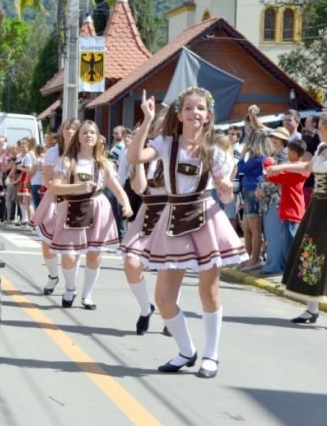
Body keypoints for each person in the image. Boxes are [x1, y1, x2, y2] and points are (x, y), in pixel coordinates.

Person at [129, 87, 248, 379]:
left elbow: (228, 197)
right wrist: (146, 120)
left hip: (205, 216)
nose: (195, 113)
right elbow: (134, 156)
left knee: (208, 290)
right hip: (172, 219)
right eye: (189, 108)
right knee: (164, 297)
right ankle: (186, 350)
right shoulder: (165, 142)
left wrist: (225, 190)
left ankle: (211, 355)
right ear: (179, 115)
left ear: (208, 116)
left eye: (201, 109)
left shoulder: (217, 151)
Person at [46, 120, 132, 310]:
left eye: (92, 132)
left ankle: (87, 295)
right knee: (69, 255)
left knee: (95, 254)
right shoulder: (67, 161)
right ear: (79, 137)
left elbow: (118, 190)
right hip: (73, 208)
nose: (88, 136)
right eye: (84, 132)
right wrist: (78, 186)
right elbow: (55, 187)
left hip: (98, 208)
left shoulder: (104, 164)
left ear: (97, 137)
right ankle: (70, 288)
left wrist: (126, 205)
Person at [264, 113, 327, 324]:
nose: (318, 131)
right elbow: (307, 168)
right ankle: (311, 308)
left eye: (320, 128)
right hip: (317, 209)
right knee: (310, 255)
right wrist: (280, 166)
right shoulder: (320, 150)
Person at [118, 106, 169, 335]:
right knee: (131, 262)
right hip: (149, 211)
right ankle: (145, 307)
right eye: (159, 124)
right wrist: (138, 159)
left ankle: (170, 314)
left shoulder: (180, 151)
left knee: (170, 267)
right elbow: (139, 188)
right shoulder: (148, 153)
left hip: (173, 213)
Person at [33, 118, 80, 294]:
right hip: (54, 198)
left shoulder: (83, 152)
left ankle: (71, 285)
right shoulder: (53, 152)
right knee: (46, 242)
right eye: (67, 128)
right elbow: (47, 180)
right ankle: (53, 276)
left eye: (74, 129)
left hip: (77, 201)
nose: (70, 131)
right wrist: (61, 186)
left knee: (74, 246)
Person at [263, 138, 308, 277]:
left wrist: (268, 162)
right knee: (289, 248)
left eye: (288, 151)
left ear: (294, 153)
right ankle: (290, 277)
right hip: (291, 212)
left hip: (291, 213)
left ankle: (293, 277)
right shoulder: (296, 169)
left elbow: (270, 177)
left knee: (290, 249)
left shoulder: (295, 171)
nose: (287, 153)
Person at [255, 127, 290, 275]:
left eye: (276, 138)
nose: (273, 140)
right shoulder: (275, 155)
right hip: (270, 200)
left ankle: (274, 266)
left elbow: (280, 178)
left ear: (283, 141)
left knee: (274, 234)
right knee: (271, 234)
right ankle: (274, 264)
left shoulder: (284, 156)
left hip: (276, 199)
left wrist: (263, 190)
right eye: (272, 137)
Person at [237, 128, 270, 271]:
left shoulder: (259, 158)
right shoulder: (257, 157)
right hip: (248, 191)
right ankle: (249, 258)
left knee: (254, 229)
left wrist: (242, 154)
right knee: (247, 228)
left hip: (253, 191)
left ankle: (255, 259)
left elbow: (241, 168)